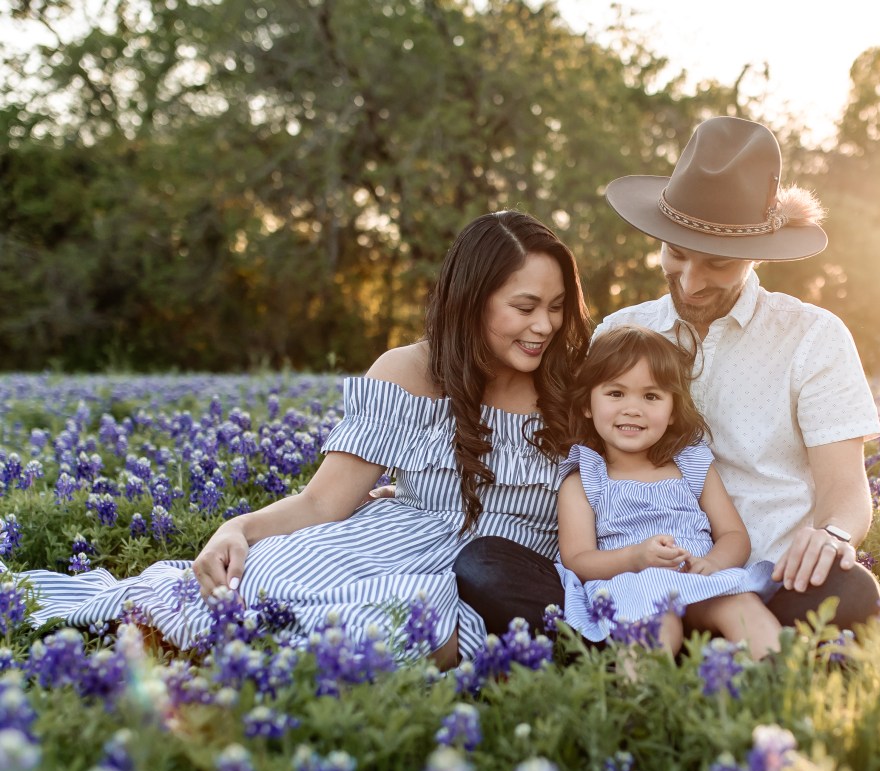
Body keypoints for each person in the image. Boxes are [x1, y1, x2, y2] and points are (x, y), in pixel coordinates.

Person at [19, 211, 590, 667]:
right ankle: (207, 645)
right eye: (525, 307)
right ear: (473, 299)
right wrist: (238, 527)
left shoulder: (578, 386)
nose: (544, 326)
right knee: (259, 576)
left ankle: (233, 657)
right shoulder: (411, 370)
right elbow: (324, 501)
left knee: (385, 627)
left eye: (557, 308)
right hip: (385, 545)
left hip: (493, 576)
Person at [456, 116, 880, 635]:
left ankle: (648, 658)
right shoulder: (621, 329)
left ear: (755, 255)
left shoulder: (813, 335)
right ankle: (636, 642)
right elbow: (553, 426)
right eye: (676, 254)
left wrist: (835, 534)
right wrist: (426, 476)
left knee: (853, 588)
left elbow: (846, 490)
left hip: (760, 585)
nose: (691, 281)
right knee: (484, 565)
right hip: (627, 578)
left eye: (718, 264)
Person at [557, 325, 781, 660]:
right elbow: (578, 560)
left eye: (651, 396)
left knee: (743, 606)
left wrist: (713, 563)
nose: (633, 409)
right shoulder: (584, 480)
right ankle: (647, 702)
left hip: (700, 580)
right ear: (587, 404)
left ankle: (783, 684)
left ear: (673, 410)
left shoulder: (691, 464)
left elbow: (734, 534)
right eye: (616, 393)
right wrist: (634, 558)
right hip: (634, 587)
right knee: (656, 628)